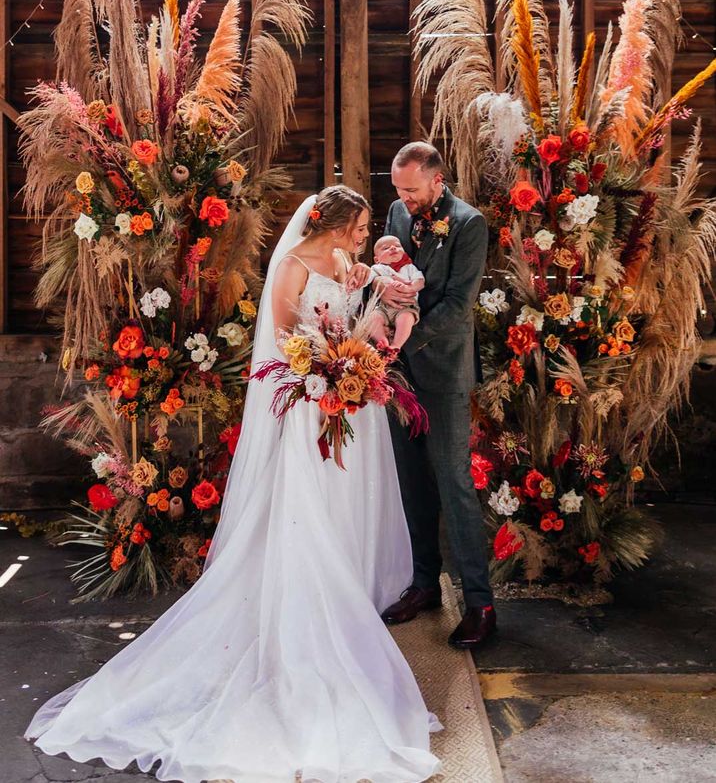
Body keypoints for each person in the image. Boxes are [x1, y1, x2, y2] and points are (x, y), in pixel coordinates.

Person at [24, 186, 441, 783]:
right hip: (307, 401)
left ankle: (352, 595)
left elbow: (355, 315)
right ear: (339, 223)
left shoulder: (350, 263)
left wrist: (375, 332)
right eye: (360, 224)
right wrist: (325, 373)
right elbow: (286, 342)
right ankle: (312, 614)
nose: (364, 232)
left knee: (355, 505)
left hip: (352, 401)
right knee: (309, 511)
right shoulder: (293, 266)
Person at [351, 143, 495, 650]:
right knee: (411, 481)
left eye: (411, 190)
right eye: (397, 190)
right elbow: (389, 280)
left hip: (443, 371)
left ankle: (480, 603)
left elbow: (459, 305)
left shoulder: (469, 223)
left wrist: (406, 336)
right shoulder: (397, 211)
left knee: (453, 483)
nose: (402, 199)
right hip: (398, 372)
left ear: (437, 180)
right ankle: (424, 586)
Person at [366, 234, 425, 350]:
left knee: (406, 318)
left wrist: (411, 288)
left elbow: (420, 281)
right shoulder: (377, 268)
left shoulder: (409, 267)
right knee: (372, 319)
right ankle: (382, 340)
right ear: (377, 259)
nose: (393, 248)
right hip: (381, 307)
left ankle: (396, 345)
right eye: (385, 248)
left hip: (405, 306)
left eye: (397, 246)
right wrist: (378, 281)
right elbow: (369, 280)